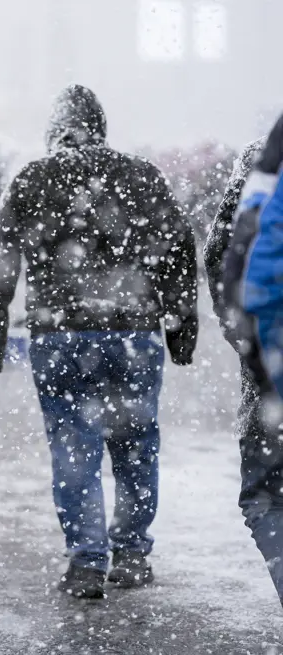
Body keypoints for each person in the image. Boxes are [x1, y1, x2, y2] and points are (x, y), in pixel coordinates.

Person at [0, 84, 198, 599]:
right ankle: (133, 553)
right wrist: (180, 331)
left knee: (73, 447)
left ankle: (86, 561)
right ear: (101, 129)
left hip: (61, 333)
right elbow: (178, 252)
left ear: (55, 133)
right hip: (133, 330)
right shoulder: (141, 176)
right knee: (136, 445)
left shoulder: (33, 178)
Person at [208, 120, 283, 607]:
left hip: (272, 361)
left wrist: (245, 338)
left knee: (267, 495)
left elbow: (221, 252)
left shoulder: (265, 159)